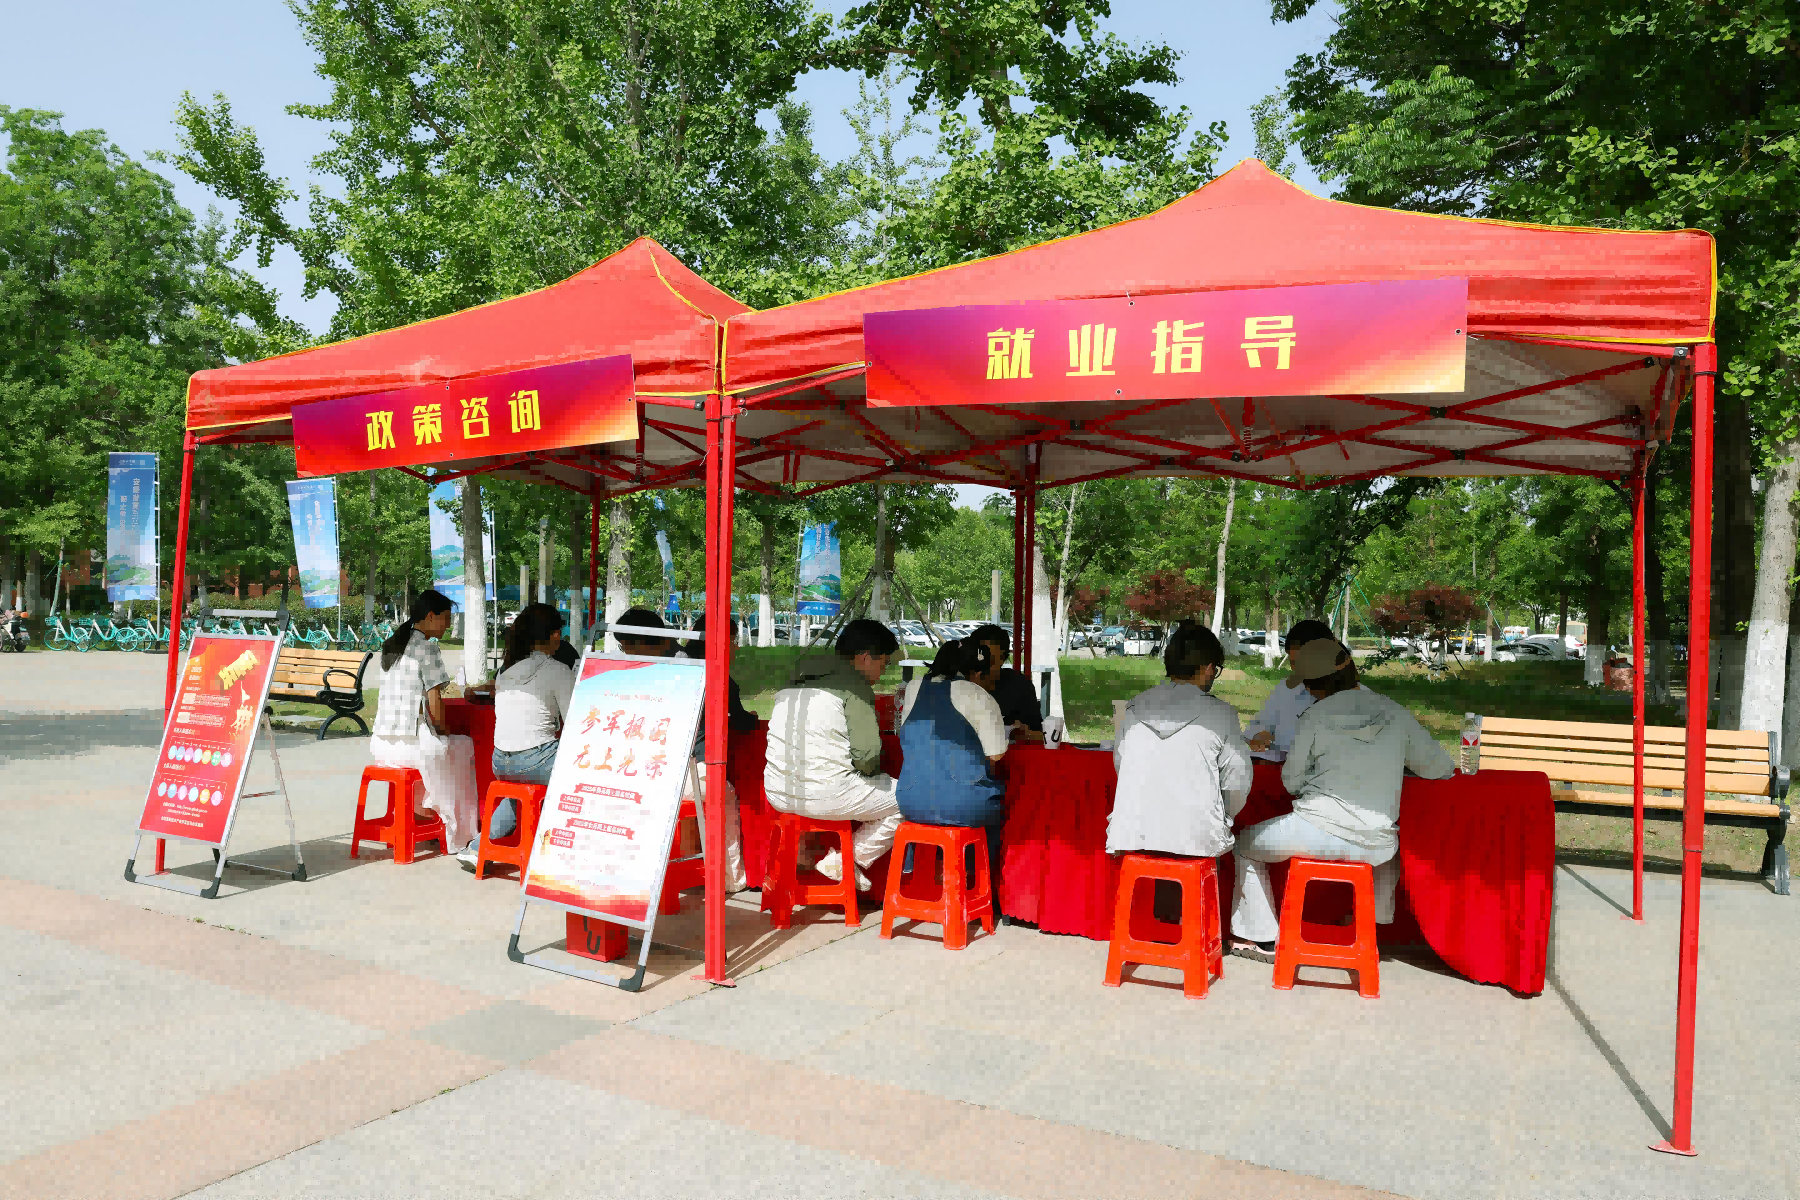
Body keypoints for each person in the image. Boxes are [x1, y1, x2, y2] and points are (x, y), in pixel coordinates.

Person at [1228, 639, 1455, 962]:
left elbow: (1291, 781)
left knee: (1243, 845)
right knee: (1390, 847)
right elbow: (1439, 768)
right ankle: (1370, 927)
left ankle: (1263, 937)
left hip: (1312, 832)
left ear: (1311, 686)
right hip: (1376, 844)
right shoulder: (1394, 711)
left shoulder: (1313, 716)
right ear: (1352, 670)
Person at [1108, 624, 1253, 920]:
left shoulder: (1133, 708)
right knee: (1203, 838)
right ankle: (1193, 930)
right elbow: (1237, 780)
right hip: (1197, 837)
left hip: (1134, 831)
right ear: (1209, 668)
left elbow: (1121, 764)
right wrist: (1223, 816)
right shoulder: (1221, 713)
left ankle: (1165, 927)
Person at [615, 606, 748, 891]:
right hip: (674, 774)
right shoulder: (688, 668)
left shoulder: (675, 670)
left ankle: (691, 870)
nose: (627, 654)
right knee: (722, 795)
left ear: (652, 641)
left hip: (656, 772)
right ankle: (731, 880)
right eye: (623, 648)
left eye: (628, 647)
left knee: (711, 794)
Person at [764, 618, 902, 890]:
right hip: (825, 794)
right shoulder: (855, 687)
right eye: (884, 663)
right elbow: (867, 757)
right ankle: (848, 859)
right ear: (865, 658)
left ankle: (803, 853)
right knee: (910, 799)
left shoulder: (794, 681)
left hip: (778, 793)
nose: (883, 671)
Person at [459, 603, 575, 871]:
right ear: (555, 635)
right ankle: (563, 852)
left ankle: (477, 848)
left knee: (517, 794)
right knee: (582, 776)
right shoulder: (558, 670)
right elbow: (574, 722)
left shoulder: (504, 671)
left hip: (501, 763)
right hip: (539, 761)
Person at [895, 638, 1011, 902]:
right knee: (992, 812)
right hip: (963, 805)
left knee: (953, 806)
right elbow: (996, 753)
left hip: (911, 801)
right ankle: (975, 891)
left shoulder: (912, 688)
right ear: (977, 673)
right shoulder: (978, 695)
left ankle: (935, 880)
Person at [368, 590, 479, 853]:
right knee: (463, 746)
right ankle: (459, 833)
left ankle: (425, 808)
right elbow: (435, 701)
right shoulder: (427, 648)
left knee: (445, 748)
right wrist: (444, 732)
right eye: (446, 618)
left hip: (380, 746)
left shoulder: (392, 645)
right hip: (410, 749)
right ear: (430, 616)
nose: (448, 625)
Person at [1243, 619, 1338, 763]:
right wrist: (1258, 735)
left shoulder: (1356, 697)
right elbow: (1258, 724)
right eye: (1293, 662)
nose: (1298, 669)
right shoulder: (1286, 689)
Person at [968, 623, 1044, 737]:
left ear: (1003, 660)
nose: (984, 667)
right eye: (980, 659)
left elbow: (1039, 735)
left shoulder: (1019, 685)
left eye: (991, 661)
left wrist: (1025, 733)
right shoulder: (957, 685)